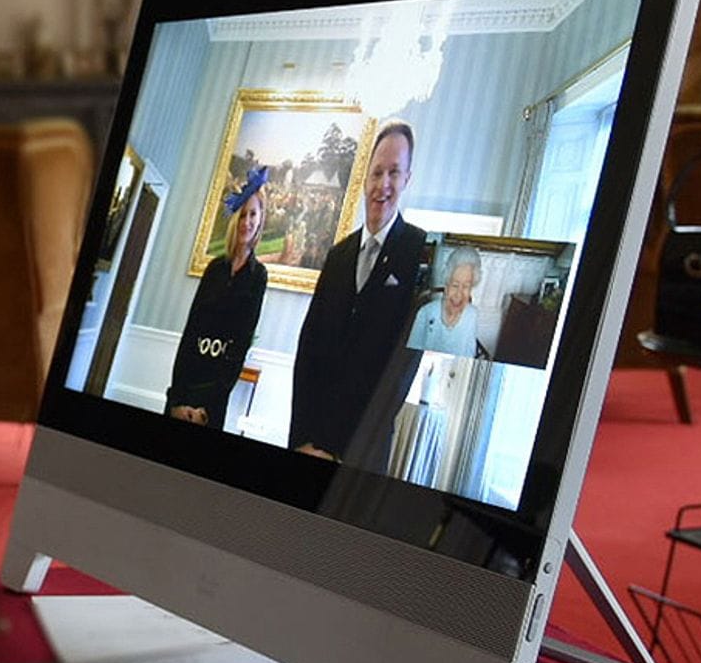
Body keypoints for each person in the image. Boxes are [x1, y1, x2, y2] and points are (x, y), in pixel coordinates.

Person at [288, 120, 428, 466]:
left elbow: (402, 367)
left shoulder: (419, 252)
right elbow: (308, 352)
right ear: (365, 178)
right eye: (377, 172)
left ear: (407, 178)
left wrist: (346, 451)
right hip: (311, 443)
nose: (383, 184)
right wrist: (303, 439)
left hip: (363, 453)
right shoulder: (338, 256)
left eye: (394, 173)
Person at [167, 165, 270, 429]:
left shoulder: (258, 276)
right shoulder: (214, 268)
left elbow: (241, 344)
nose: (247, 222)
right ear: (235, 219)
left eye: (253, 215)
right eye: (243, 214)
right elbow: (191, 331)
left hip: (213, 396)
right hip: (188, 378)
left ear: (260, 219)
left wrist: (207, 406)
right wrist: (177, 398)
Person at [406, 247, 482, 357]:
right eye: (455, 285)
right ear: (446, 285)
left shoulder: (472, 314)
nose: (459, 294)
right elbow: (410, 355)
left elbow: (469, 355)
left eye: (466, 286)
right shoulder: (426, 312)